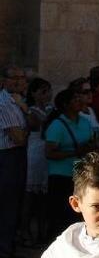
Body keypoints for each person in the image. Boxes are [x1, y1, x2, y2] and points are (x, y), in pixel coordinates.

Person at [45, 88, 98, 236]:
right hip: (61, 176)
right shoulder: (57, 125)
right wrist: (74, 152)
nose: (80, 101)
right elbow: (49, 153)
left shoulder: (85, 122)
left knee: (78, 217)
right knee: (61, 218)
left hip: (80, 176)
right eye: (75, 99)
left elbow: (91, 141)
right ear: (65, 104)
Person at [1, 65, 29, 257]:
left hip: (17, 156)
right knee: (7, 204)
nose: (18, 81)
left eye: (21, 77)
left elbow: (36, 126)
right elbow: (19, 137)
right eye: (13, 77)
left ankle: (9, 243)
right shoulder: (4, 103)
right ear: (4, 80)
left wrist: (24, 108)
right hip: (7, 156)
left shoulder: (19, 101)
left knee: (16, 202)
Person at [22, 77, 53, 247]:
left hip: (46, 152)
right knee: (30, 195)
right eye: (43, 91)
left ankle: (42, 233)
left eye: (48, 91)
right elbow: (38, 125)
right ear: (33, 93)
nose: (47, 95)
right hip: (34, 152)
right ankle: (24, 231)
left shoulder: (50, 108)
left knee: (44, 197)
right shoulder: (30, 110)